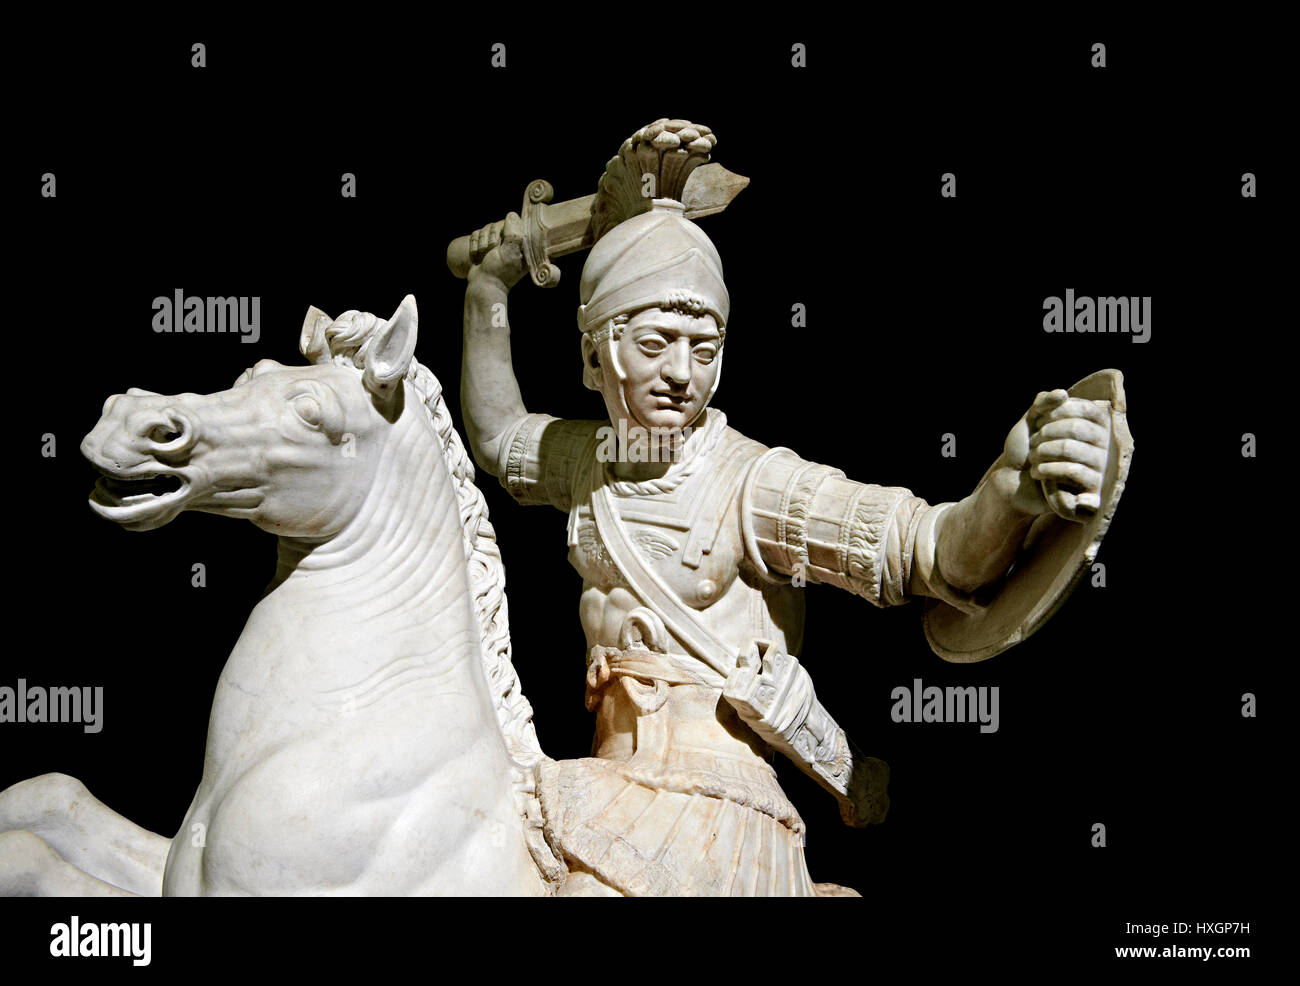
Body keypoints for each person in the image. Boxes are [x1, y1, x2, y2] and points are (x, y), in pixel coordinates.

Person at [459, 199, 1111, 897]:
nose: (682, 372)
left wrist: (1008, 489)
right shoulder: (592, 459)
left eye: (703, 349)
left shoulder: (756, 485)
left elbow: (927, 551)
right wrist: (488, 289)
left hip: (720, 807)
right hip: (603, 785)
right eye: (655, 344)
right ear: (596, 355)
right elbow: (500, 438)